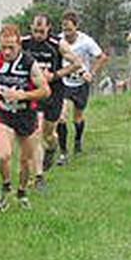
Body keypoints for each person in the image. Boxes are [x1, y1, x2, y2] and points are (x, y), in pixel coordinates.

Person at [0, 24, 50, 209]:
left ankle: (21, 192)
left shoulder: (29, 63)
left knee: (25, 160)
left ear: (19, 44)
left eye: (11, 47)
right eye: (3, 46)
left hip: (25, 115)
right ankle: (5, 187)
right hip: (3, 114)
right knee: (3, 155)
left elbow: (45, 90)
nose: (6, 51)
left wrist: (23, 95)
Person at [20, 14, 82, 189]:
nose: (38, 34)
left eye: (42, 31)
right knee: (36, 132)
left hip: (54, 93)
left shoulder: (57, 44)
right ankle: (38, 177)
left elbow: (77, 63)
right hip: (34, 92)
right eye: (35, 30)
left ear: (48, 29)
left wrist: (55, 75)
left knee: (48, 134)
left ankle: (52, 148)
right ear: (31, 28)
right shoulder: (23, 43)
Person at [56, 11, 108, 164]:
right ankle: (63, 152)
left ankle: (78, 141)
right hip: (63, 82)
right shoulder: (58, 40)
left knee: (77, 117)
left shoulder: (86, 41)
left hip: (80, 83)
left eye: (70, 30)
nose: (67, 33)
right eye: (64, 30)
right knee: (61, 116)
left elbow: (101, 57)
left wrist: (91, 72)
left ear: (76, 27)